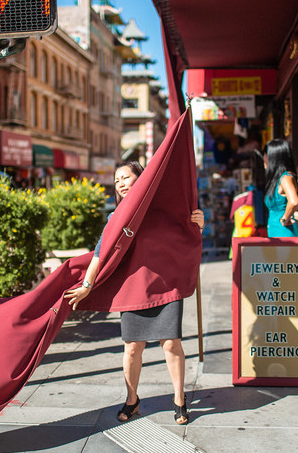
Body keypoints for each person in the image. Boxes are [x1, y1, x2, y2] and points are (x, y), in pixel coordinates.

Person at [64, 161, 205, 425]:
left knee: (171, 343)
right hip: (133, 289)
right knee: (132, 348)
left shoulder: (164, 211)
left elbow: (187, 237)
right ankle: (132, 400)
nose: (120, 183)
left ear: (142, 178)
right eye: (116, 180)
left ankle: (179, 398)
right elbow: (99, 254)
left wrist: (199, 223)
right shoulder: (116, 218)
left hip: (166, 285)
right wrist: (86, 285)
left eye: (125, 177)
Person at [263, 139, 298, 237]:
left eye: (266, 154)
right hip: (276, 232)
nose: (264, 158)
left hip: (283, 232)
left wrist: (285, 219)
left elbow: (294, 201)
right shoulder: (279, 178)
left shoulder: (285, 177)